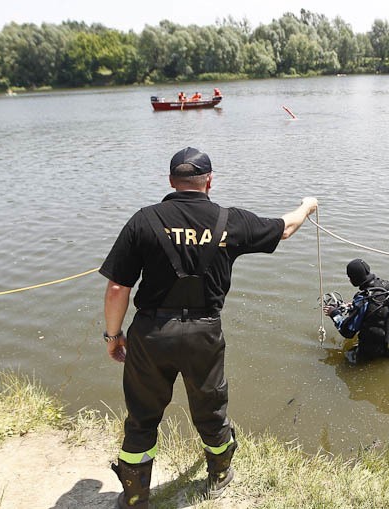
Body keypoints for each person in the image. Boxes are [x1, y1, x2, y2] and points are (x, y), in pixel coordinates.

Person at [100, 146, 318, 507]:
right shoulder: (229, 221)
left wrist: (113, 335)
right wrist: (307, 206)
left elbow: (117, 288)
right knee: (211, 406)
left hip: (151, 333)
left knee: (142, 414)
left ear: (171, 181)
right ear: (209, 182)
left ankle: (136, 496)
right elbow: (284, 229)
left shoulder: (144, 220)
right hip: (204, 332)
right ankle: (218, 475)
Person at [323, 259, 389, 364]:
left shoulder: (364, 299)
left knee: (343, 366)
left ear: (353, 278)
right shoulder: (386, 287)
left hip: (374, 353)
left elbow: (348, 332)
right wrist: (354, 306)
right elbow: (377, 309)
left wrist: (334, 313)